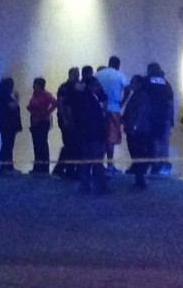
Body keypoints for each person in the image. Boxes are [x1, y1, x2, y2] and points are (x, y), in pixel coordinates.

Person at [74, 66, 109, 194]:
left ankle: (86, 186)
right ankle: (99, 186)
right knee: (96, 161)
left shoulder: (88, 97)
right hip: (93, 134)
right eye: (96, 85)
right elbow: (92, 117)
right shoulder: (88, 99)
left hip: (88, 134)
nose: (99, 87)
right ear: (90, 87)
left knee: (87, 161)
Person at [95, 57, 127, 175]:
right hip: (114, 109)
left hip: (98, 109)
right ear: (118, 64)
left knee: (100, 138)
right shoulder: (119, 75)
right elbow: (127, 89)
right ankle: (110, 165)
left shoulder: (98, 74)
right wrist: (122, 102)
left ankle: (99, 165)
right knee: (111, 139)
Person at [144, 63, 175, 176]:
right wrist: (170, 119)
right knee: (164, 143)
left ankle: (155, 165)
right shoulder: (166, 84)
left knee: (154, 142)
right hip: (165, 118)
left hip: (152, 118)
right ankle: (164, 166)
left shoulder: (147, 83)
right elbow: (170, 103)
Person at [121, 74, 151, 188]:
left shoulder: (140, 96)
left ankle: (140, 179)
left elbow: (140, 112)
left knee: (137, 153)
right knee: (136, 154)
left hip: (138, 131)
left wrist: (134, 126)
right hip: (136, 129)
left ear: (138, 84)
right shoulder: (136, 96)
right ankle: (139, 179)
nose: (131, 85)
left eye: (133, 82)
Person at [52, 68, 80, 179]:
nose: (77, 76)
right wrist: (65, 120)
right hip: (68, 120)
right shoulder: (65, 88)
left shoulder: (73, 87)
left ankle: (67, 169)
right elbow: (61, 104)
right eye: (76, 74)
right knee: (70, 145)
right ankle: (66, 169)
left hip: (75, 120)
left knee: (73, 145)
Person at [25, 78, 57, 175]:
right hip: (34, 122)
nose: (33, 86)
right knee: (36, 144)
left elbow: (55, 103)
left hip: (43, 122)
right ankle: (37, 167)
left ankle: (44, 167)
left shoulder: (46, 94)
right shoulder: (34, 95)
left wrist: (47, 112)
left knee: (42, 144)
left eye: (35, 84)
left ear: (40, 85)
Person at [0, 78, 22, 176]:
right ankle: (5, 168)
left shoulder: (3, 96)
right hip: (8, 125)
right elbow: (12, 106)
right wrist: (17, 98)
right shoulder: (5, 96)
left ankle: (8, 167)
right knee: (7, 146)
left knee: (8, 146)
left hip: (7, 125)